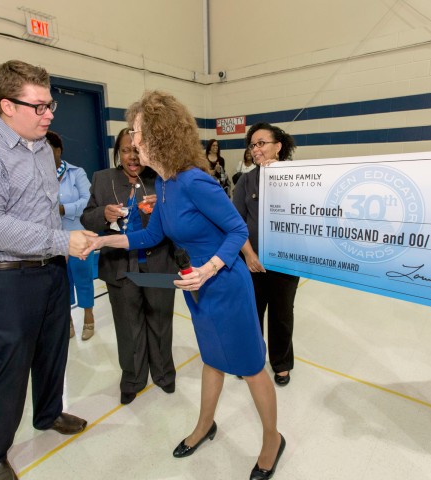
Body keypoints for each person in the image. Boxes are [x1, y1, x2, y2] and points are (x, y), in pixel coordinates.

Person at [84, 91, 286, 480]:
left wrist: (209, 269)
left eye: (139, 132)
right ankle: (204, 425)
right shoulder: (163, 184)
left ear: (159, 135)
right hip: (198, 288)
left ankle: (271, 440)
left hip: (224, 284)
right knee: (211, 359)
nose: (134, 140)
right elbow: (150, 236)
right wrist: (102, 240)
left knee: (251, 367)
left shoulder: (195, 181)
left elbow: (237, 229)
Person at [0, 59, 89, 479]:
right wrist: (64, 241)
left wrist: (63, 246)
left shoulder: (43, 148)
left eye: (50, 106)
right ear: (6, 106)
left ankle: (47, 415)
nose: (48, 114)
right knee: (10, 367)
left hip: (51, 270)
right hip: (7, 277)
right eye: (39, 106)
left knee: (53, 352)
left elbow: (45, 213)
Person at [81, 128, 177, 405]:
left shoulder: (160, 179)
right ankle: (133, 377)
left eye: (137, 150)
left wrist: (163, 206)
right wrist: (103, 214)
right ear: (117, 154)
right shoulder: (102, 179)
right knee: (127, 325)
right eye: (126, 150)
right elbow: (87, 219)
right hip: (120, 267)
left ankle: (163, 373)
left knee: (160, 322)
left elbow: (179, 220)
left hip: (158, 263)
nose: (132, 157)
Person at [234, 123, 300, 387]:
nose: (256, 149)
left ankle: (281, 363)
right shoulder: (245, 181)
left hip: (286, 262)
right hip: (253, 262)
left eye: (262, 143)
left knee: (282, 314)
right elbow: (236, 224)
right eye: (253, 144)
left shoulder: (299, 178)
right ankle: (250, 358)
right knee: (251, 313)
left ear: (278, 146)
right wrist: (249, 255)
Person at [45, 131, 96, 341]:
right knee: (60, 283)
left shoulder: (76, 173)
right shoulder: (37, 175)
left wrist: (65, 209)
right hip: (53, 240)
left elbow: (89, 200)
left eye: (47, 149)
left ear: (58, 150)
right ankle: (67, 321)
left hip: (79, 235)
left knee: (83, 277)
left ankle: (88, 318)